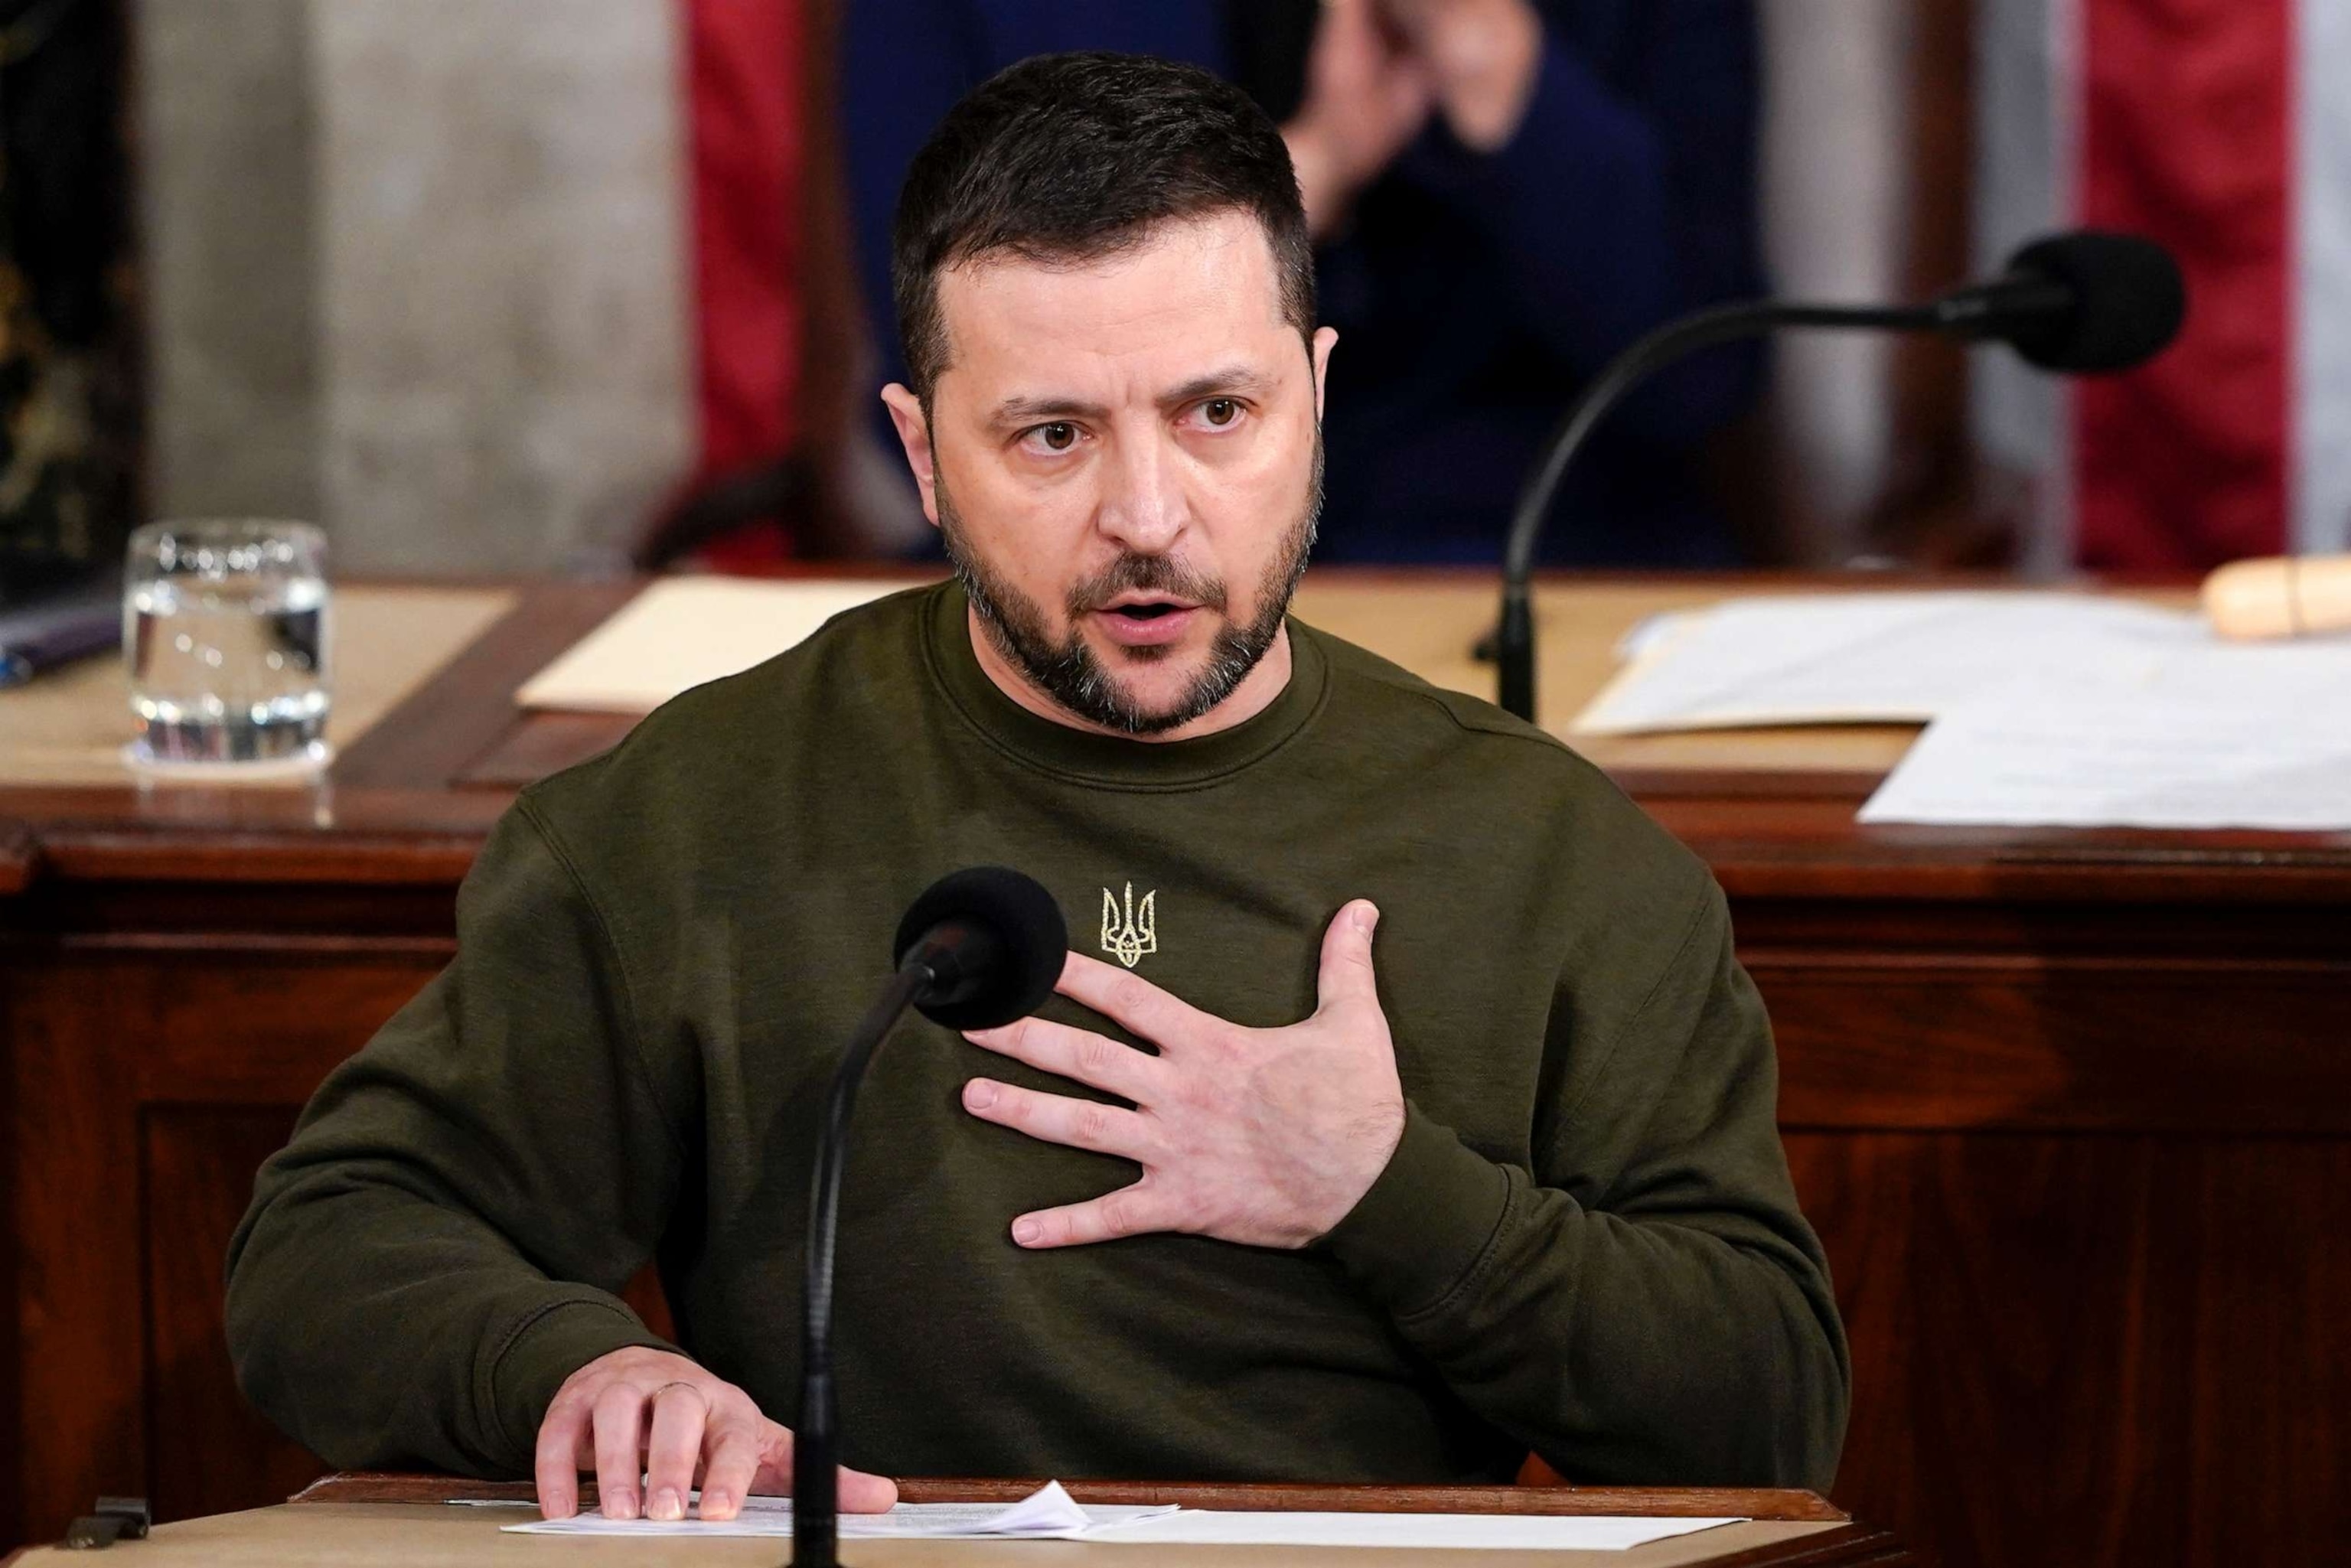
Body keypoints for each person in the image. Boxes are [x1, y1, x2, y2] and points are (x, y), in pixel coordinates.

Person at [226, 53, 1846, 1524]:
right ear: (922, 454)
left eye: (1220, 414)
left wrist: (1378, 1183)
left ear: (1318, 395)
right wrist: (574, 1368)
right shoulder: (690, 813)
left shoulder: (1556, 858)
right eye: (1053, 436)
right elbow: (330, 1241)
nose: (1150, 514)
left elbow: (1771, 1412)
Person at [843, 0, 1764, 566]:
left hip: (1533, 558)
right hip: (1107, 566)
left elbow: (1699, 378)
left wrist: (1499, 72)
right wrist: (1311, 171)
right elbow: (937, 375)